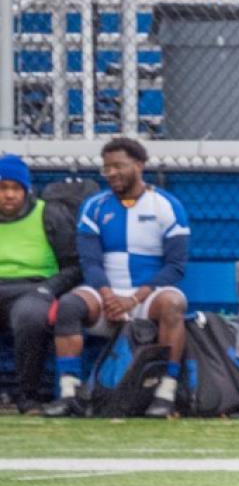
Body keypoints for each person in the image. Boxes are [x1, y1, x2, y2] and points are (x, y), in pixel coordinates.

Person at [45, 138, 190, 419]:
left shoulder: (168, 205)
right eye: (106, 168)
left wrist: (134, 298)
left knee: (173, 304)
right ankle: (69, 394)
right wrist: (110, 296)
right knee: (68, 305)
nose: (111, 173)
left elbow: (175, 267)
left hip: (148, 297)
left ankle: (165, 393)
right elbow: (90, 261)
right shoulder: (94, 207)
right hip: (106, 294)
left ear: (139, 165)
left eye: (118, 166)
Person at [0, 154, 80, 415]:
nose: (8, 195)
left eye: (15, 188)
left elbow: (74, 266)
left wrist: (49, 288)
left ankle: (28, 397)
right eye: (2, 188)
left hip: (34, 288)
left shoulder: (49, 214)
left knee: (31, 317)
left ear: (26, 190)